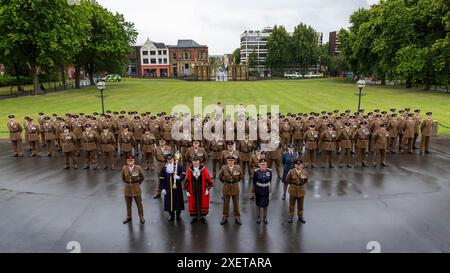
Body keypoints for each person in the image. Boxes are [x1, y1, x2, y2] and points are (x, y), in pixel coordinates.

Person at [184, 156, 213, 224]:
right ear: (192, 162)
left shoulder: (203, 169)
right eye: (194, 161)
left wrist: (207, 189)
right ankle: (194, 217)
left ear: (199, 162)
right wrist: (187, 190)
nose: (195, 163)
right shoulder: (190, 170)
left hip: (202, 190)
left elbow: (207, 179)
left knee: (202, 202)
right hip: (192, 190)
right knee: (193, 202)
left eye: (197, 161)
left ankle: (202, 217)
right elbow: (187, 181)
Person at [159, 153, 186, 222]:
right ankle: (171, 215)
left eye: (170, 159)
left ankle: (178, 214)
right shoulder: (164, 168)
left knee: (178, 201)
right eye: (168, 159)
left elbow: (183, 174)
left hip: (177, 188)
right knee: (169, 201)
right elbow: (161, 179)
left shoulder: (178, 166)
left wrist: (179, 177)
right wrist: (162, 188)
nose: (169, 160)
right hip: (168, 188)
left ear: (173, 158)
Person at [218, 156, 243, 225]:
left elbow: (241, 176)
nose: (230, 162)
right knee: (226, 203)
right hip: (226, 187)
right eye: (229, 160)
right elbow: (219, 177)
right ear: (227, 161)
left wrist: (235, 182)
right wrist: (225, 182)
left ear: (234, 161)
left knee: (236, 203)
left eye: (232, 160)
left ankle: (237, 217)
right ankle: (225, 217)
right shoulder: (224, 168)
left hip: (235, 187)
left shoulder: (238, 167)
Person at [121, 156, 145, 224]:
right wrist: (128, 184)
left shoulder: (138, 168)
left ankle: (141, 216)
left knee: (139, 204)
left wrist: (137, 184)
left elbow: (142, 177)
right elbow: (123, 178)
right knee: (128, 204)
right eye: (129, 160)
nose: (130, 161)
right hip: (127, 189)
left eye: (131, 160)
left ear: (134, 161)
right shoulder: (124, 168)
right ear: (127, 161)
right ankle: (129, 216)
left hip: (136, 188)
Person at [252, 158, 272, 224]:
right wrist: (253, 191)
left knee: (266, 205)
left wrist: (270, 191)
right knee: (258, 204)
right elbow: (254, 182)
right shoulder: (256, 172)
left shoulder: (269, 171)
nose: (263, 165)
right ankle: (258, 217)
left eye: (264, 164)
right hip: (258, 190)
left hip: (266, 190)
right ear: (259, 164)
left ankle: (265, 217)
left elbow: (270, 181)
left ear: (266, 164)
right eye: (262, 164)